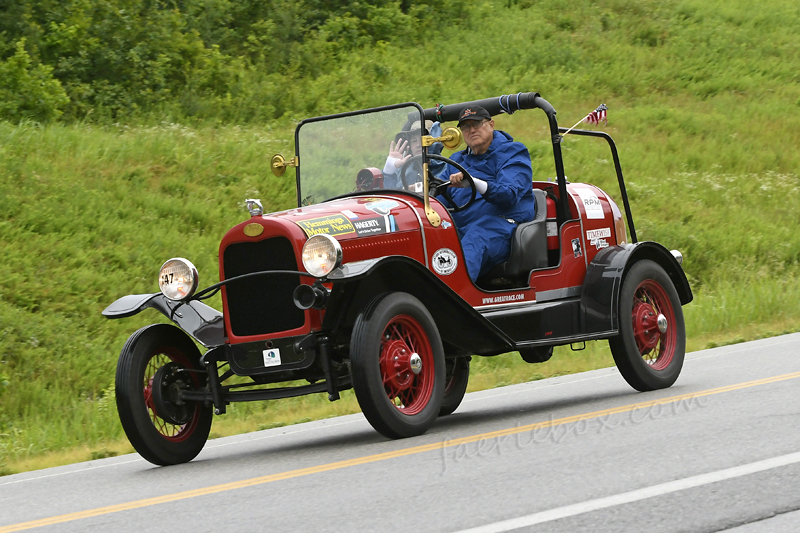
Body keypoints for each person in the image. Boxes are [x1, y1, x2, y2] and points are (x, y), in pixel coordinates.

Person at [440, 105, 535, 282]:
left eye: (476, 124)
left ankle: (451, 299)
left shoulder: (513, 152)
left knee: (476, 237)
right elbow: (437, 197)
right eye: (466, 127)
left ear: (491, 124)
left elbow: (509, 194)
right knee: (427, 238)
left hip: (502, 225)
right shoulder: (456, 161)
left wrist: (475, 183)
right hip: (461, 229)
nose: (472, 130)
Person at [383, 121, 445, 190]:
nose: (418, 145)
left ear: (433, 143)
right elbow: (388, 195)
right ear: (410, 146)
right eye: (414, 141)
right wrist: (388, 171)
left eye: (422, 140)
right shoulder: (403, 170)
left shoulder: (446, 168)